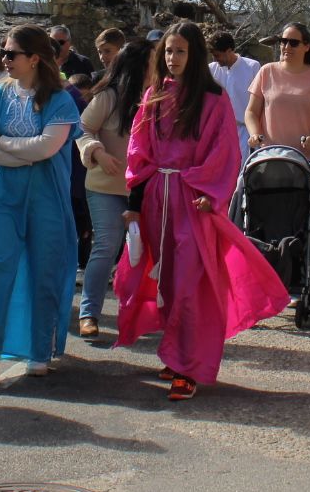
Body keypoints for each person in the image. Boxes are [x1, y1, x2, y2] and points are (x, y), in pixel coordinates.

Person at [113, 20, 290, 399]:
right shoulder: (153, 96)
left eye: (180, 51)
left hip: (193, 200)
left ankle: (188, 366)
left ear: (194, 56)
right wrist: (134, 202)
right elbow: (137, 150)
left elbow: (224, 152)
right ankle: (177, 354)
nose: (173, 58)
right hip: (158, 200)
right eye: (168, 51)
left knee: (191, 282)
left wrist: (212, 193)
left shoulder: (213, 99)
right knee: (167, 281)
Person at [0, 25, 84, 386]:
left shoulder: (60, 100)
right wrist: (22, 153)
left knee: (43, 271)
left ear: (34, 58)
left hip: (46, 198)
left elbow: (47, 147)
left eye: (11, 54)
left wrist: (4, 143)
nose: (3, 60)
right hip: (0, 194)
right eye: (4, 53)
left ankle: (39, 351)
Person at [243, 22, 310, 297]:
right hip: (268, 158)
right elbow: (251, 112)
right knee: (254, 211)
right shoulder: (266, 72)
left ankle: (296, 272)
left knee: (303, 217)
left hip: (304, 159)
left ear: (306, 46)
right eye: (283, 42)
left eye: (292, 42)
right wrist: (255, 134)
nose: (285, 47)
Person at [76, 38, 155, 338]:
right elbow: (81, 129)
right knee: (107, 246)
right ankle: (89, 313)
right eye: (153, 64)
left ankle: (139, 313)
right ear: (138, 67)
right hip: (105, 186)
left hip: (145, 189)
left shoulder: (160, 97)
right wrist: (97, 152)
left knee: (145, 252)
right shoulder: (108, 97)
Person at [207, 31, 262, 155]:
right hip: (219, 131)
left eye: (218, 55)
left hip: (245, 131)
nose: (215, 59)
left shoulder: (252, 67)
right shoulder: (211, 69)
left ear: (229, 50)